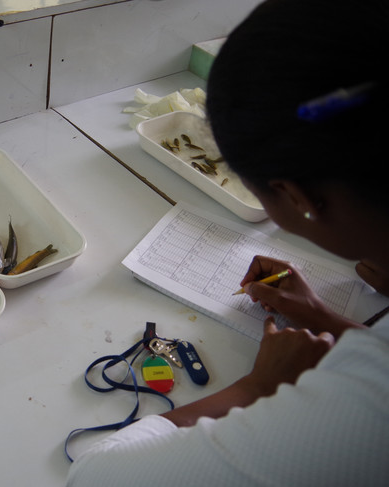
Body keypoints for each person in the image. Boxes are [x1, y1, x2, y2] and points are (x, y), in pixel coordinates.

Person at [66, 0, 389, 484]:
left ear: (294, 195)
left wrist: (259, 387)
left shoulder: (369, 413)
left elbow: (96, 476)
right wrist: (324, 319)